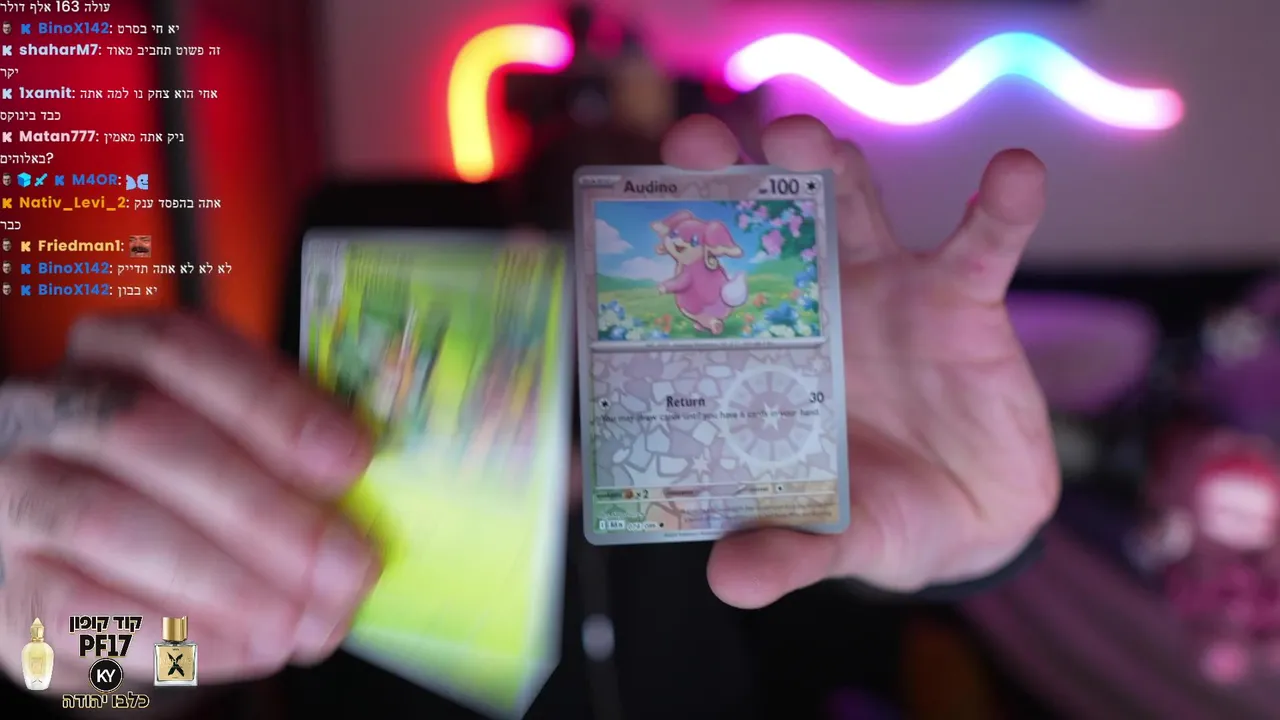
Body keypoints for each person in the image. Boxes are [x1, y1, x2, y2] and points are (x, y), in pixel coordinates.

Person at [0, 114, 1056, 718]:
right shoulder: (356, 329)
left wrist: (989, 545)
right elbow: (147, 668)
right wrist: (73, 650)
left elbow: (848, 629)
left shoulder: (746, 467)